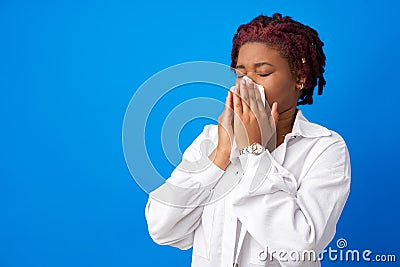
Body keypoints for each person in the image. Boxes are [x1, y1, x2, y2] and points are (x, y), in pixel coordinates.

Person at [145, 13, 351, 267]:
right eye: (240, 75)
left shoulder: (324, 148)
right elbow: (162, 229)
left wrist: (253, 154)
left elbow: (300, 250)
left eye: (263, 73)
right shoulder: (211, 140)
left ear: (300, 78)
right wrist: (221, 155)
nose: (247, 86)